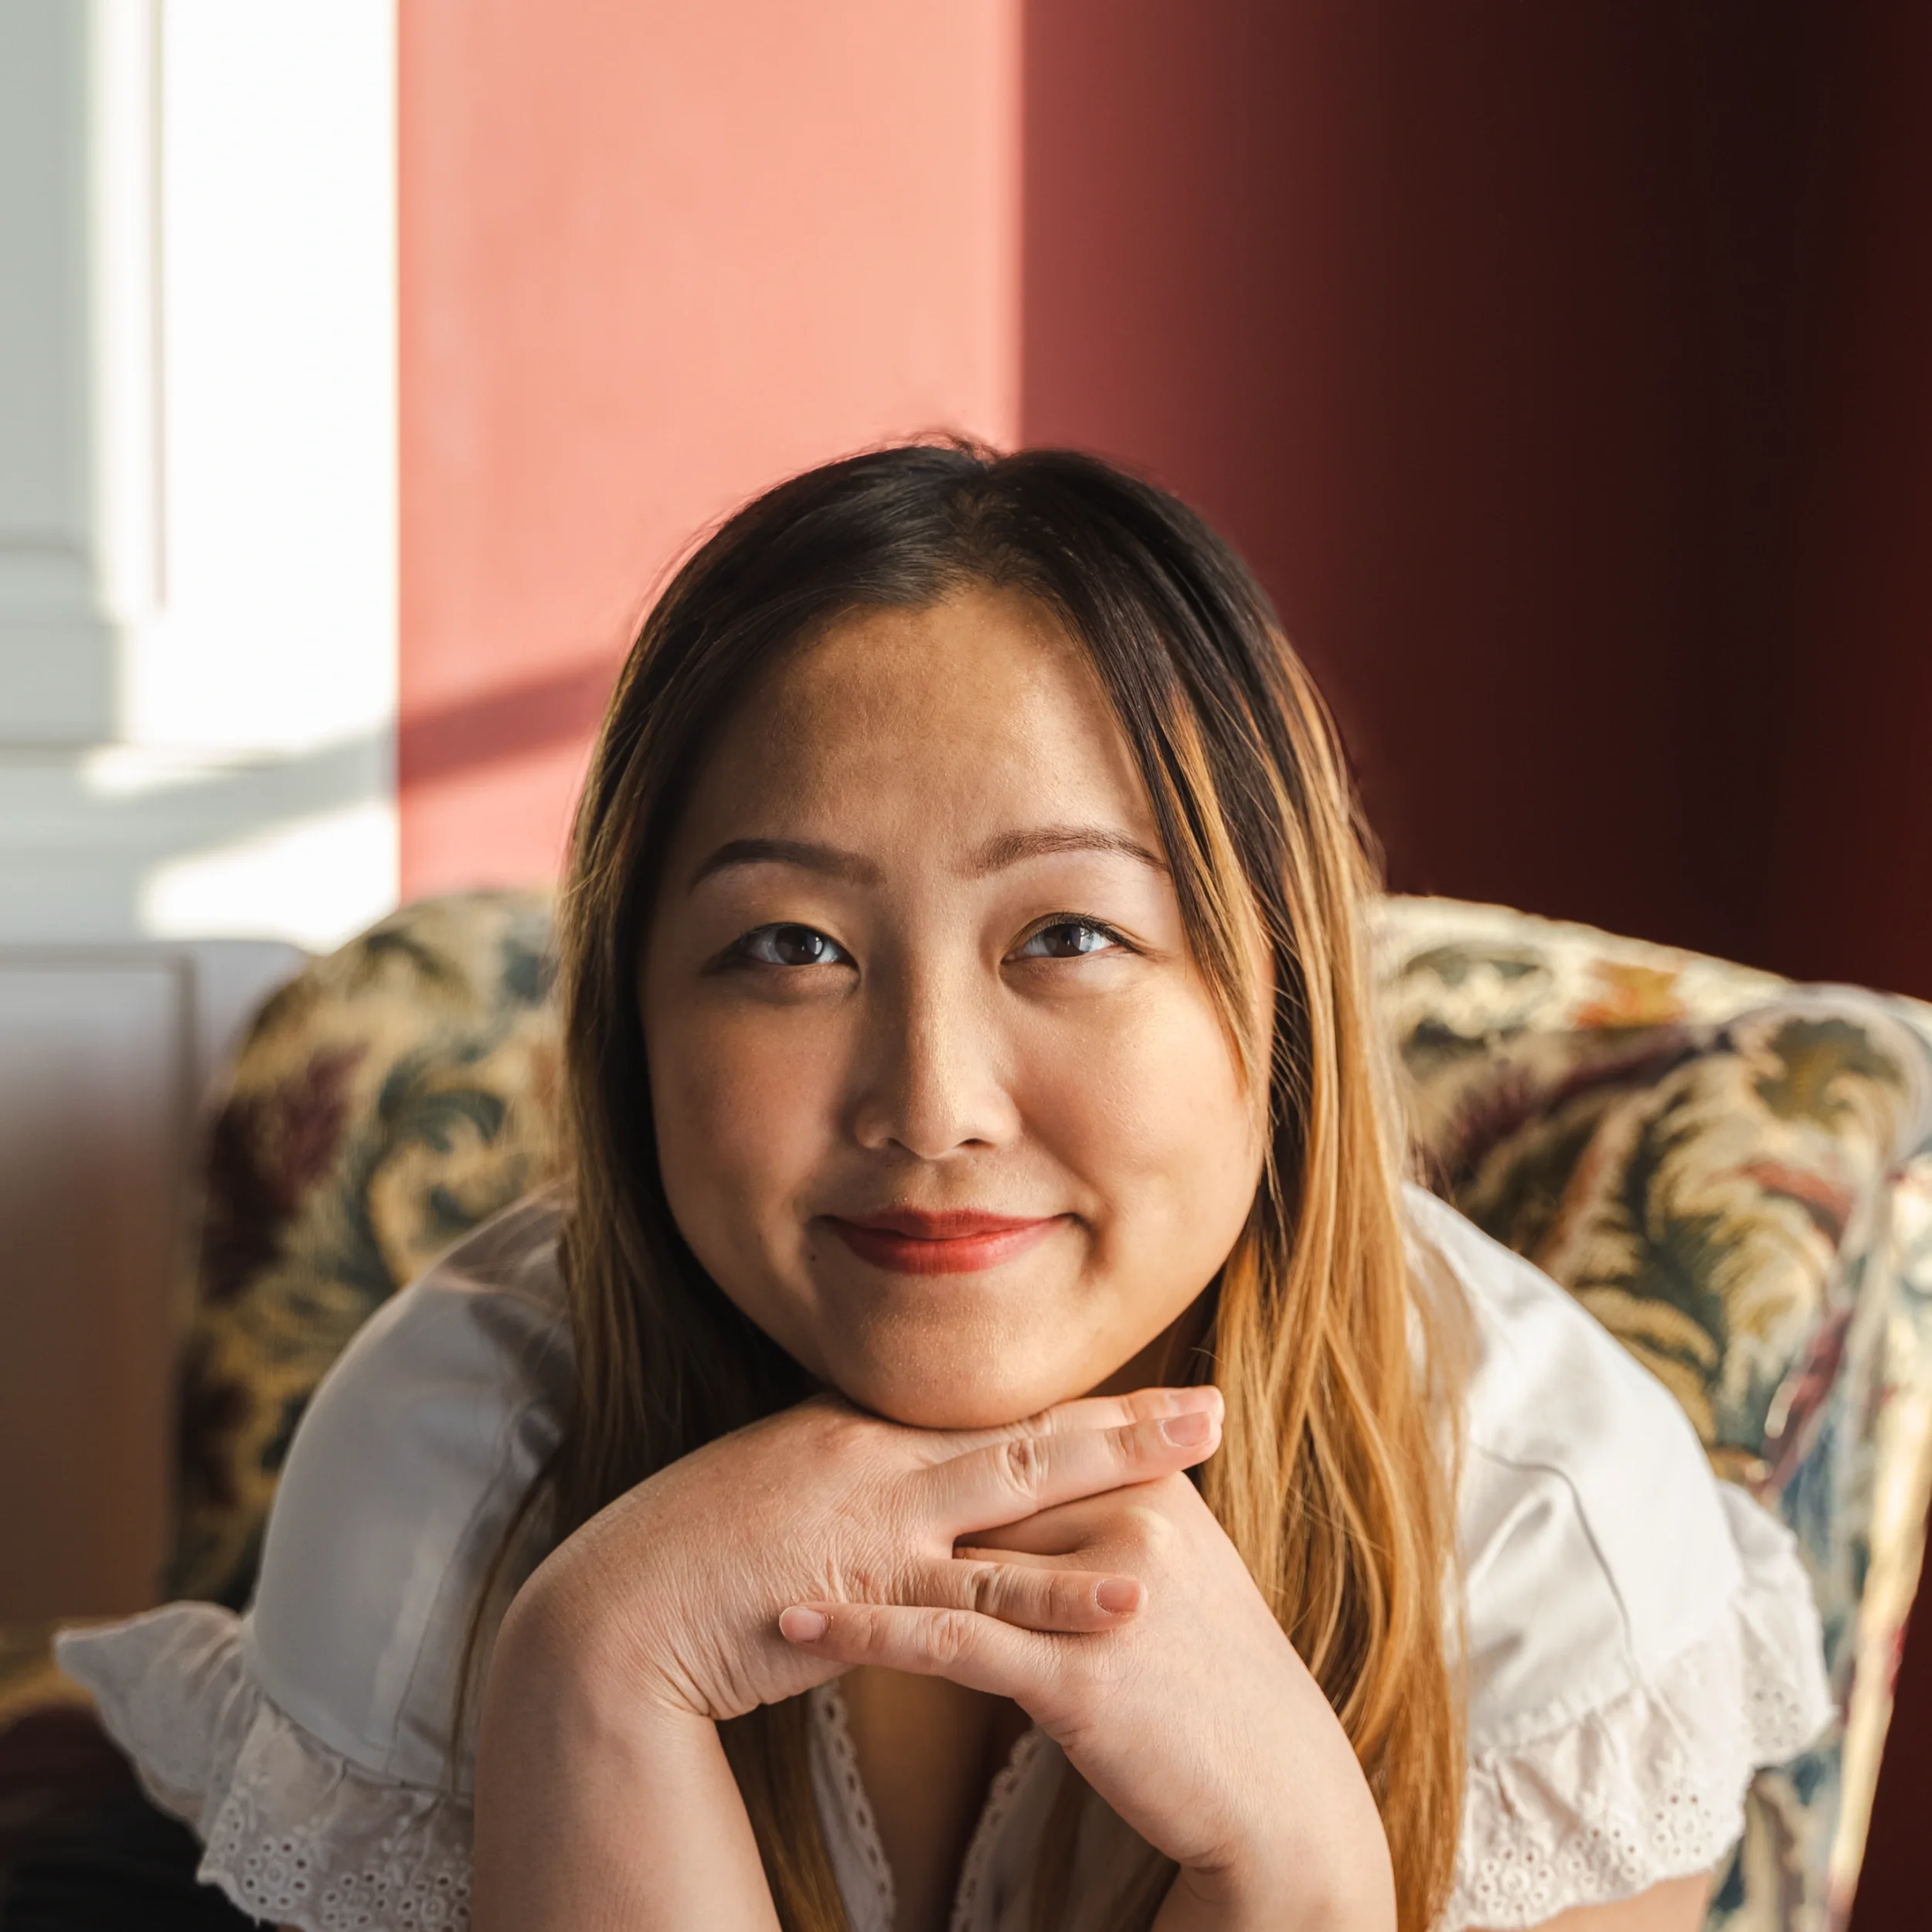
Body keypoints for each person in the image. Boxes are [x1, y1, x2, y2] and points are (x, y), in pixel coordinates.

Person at [60, 444, 1828, 1932]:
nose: (929, 1104)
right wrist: (595, 1668)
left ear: (1276, 1001)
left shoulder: (1537, 1525)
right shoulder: (451, 1462)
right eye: (790, 946)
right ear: (629, 1028)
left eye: (1068, 933)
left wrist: (1293, 1866)